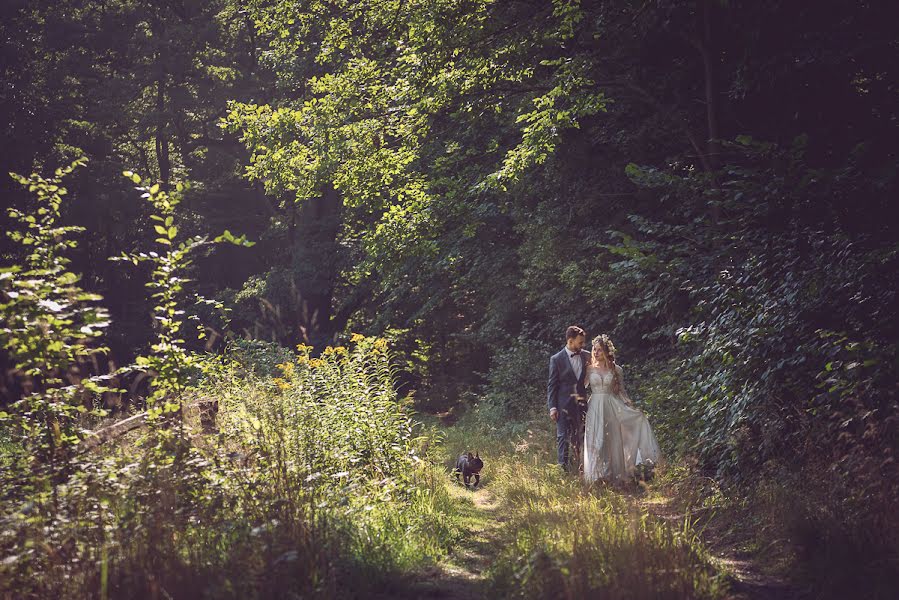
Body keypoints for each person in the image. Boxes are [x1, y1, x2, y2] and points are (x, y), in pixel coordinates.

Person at [583, 334, 661, 484]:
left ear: (606, 352)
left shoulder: (616, 370)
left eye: (599, 350)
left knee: (610, 441)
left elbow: (621, 392)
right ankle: (595, 477)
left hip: (611, 407)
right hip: (594, 407)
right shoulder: (589, 370)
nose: (596, 353)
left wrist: (632, 407)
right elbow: (581, 388)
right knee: (595, 441)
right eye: (594, 350)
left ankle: (612, 477)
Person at [547, 325, 592, 472]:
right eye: (580, 342)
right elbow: (552, 385)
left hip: (582, 404)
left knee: (580, 436)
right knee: (563, 437)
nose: (583, 345)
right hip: (563, 405)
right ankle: (563, 469)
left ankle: (581, 467)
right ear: (570, 341)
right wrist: (552, 407)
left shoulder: (586, 355)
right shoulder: (556, 359)